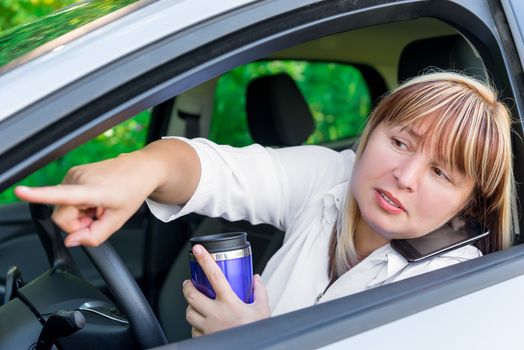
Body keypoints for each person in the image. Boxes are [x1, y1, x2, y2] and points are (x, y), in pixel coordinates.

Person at [15, 71, 515, 337]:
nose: (403, 177)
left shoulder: (457, 290)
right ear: (370, 131)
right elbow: (209, 168)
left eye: (441, 172)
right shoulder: (332, 176)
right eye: (401, 142)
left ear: (469, 203)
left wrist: (254, 341)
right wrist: (135, 172)